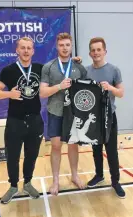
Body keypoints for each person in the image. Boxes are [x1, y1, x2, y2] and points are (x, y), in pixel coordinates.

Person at [0, 37, 44, 204]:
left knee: (32, 155)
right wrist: (9, 94)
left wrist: (73, 60)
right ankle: (13, 186)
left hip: (35, 120)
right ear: (17, 50)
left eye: (29, 48)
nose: (26, 51)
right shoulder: (8, 70)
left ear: (33, 51)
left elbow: (59, 69)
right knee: (12, 156)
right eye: (23, 48)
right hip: (15, 121)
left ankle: (27, 183)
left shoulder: (40, 68)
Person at [40, 32, 87, 196]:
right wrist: (59, 86)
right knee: (56, 146)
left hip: (74, 114)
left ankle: (74, 176)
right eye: (61, 45)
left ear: (71, 46)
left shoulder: (79, 67)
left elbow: (86, 90)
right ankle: (55, 181)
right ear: (56, 46)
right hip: (55, 112)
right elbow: (43, 92)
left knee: (73, 145)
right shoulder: (49, 67)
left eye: (67, 45)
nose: (65, 48)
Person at [85, 37, 125, 198]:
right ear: (90, 53)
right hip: (93, 116)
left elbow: (121, 93)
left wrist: (109, 88)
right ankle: (99, 175)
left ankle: (115, 182)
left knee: (111, 151)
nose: (96, 53)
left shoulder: (114, 70)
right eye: (93, 50)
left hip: (109, 116)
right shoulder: (86, 70)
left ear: (104, 51)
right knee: (96, 149)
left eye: (99, 49)